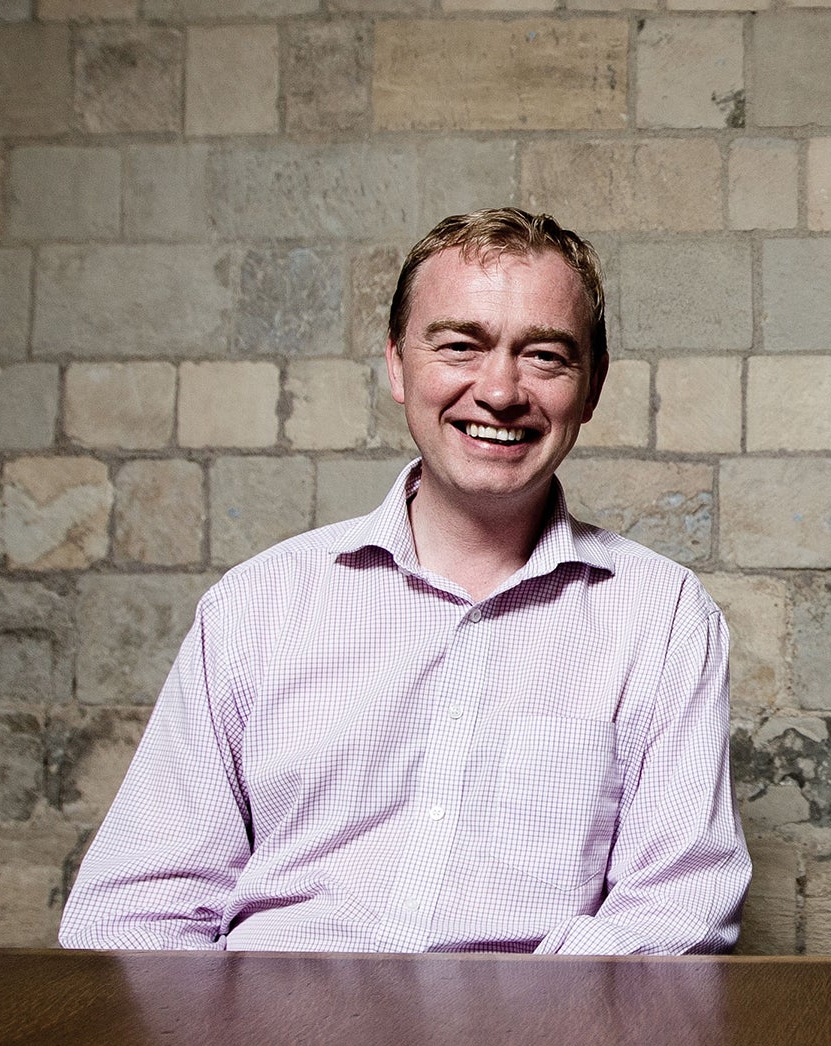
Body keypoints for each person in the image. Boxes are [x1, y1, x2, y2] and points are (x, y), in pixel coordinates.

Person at [61, 209, 750, 953]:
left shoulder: (664, 617)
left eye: (545, 356)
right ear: (397, 364)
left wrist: (503, 1042)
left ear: (591, 387)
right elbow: (134, 909)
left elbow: (681, 906)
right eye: (460, 345)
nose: (499, 391)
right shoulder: (259, 607)